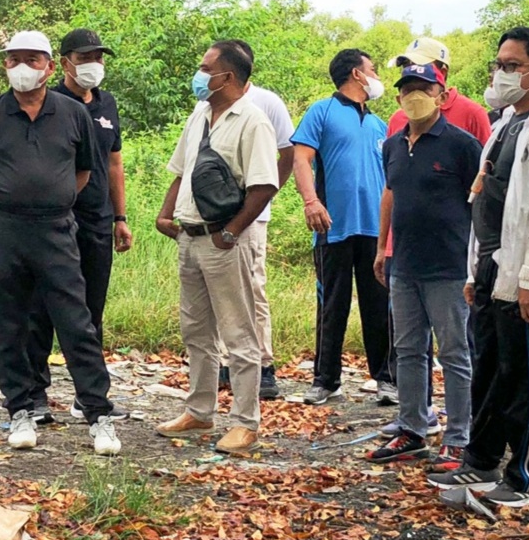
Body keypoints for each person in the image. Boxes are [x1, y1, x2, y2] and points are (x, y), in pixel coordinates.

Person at [429, 27, 529, 507]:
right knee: (489, 373)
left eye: (512, 66)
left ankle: (522, 477)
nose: (500, 74)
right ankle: (480, 461)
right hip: (490, 268)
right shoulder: (505, 124)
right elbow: (486, 199)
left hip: (523, 274)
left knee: (523, 378)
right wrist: (473, 272)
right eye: (498, 64)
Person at [0, 30, 121, 455]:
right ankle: (21, 410)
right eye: (14, 59)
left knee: (77, 322)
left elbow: (85, 171)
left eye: (32, 60)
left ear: (51, 67)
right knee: (9, 323)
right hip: (5, 231)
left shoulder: (73, 114)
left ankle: (98, 414)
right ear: (4, 65)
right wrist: (12, 201)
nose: (22, 68)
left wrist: (55, 199)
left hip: (56, 230)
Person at [153, 41, 279, 455]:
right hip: (189, 238)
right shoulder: (200, 115)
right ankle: (199, 410)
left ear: (227, 76)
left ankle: (245, 423)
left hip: (222, 241)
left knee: (239, 333)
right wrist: (166, 213)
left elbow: (263, 185)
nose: (199, 74)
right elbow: (181, 170)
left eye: (206, 68)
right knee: (195, 329)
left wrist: (231, 232)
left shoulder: (253, 121)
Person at [379, 37, 492, 449]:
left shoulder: (462, 145)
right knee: (408, 350)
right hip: (404, 265)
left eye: (423, 89)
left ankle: (460, 436)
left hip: (449, 267)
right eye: (406, 89)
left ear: (441, 95)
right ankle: (413, 428)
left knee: (455, 354)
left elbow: (481, 206)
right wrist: (381, 250)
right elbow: (390, 195)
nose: (414, 97)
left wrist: (478, 263)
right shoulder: (392, 145)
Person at [26, 28, 132, 424]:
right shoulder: (50, 103)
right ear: (65, 61)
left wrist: (120, 217)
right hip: (56, 221)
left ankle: (90, 396)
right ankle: (35, 395)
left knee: (90, 312)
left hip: (98, 222)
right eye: (86, 57)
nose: (94, 65)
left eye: (99, 58)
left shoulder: (107, 105)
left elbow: (115, 163)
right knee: (41, 308)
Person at [291, 49, 393, 406]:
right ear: (356, 74)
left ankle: (386, 379)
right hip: (332, 226)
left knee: (379, 304)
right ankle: (326, 379)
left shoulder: (382, 125)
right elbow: (300, 158)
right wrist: (311, 201)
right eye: (373, 68)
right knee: (332, 303)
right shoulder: (322, 111)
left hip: (375, 230)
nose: (377, 74)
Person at [214, 39, 295, 400]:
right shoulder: (209, 103)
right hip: (213, 213)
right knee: (215, 288)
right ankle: (222, 363)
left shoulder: (267, 102)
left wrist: (263, 192)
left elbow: (288, 151)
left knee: (253, 288)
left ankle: (263, 365)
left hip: (253, 214)